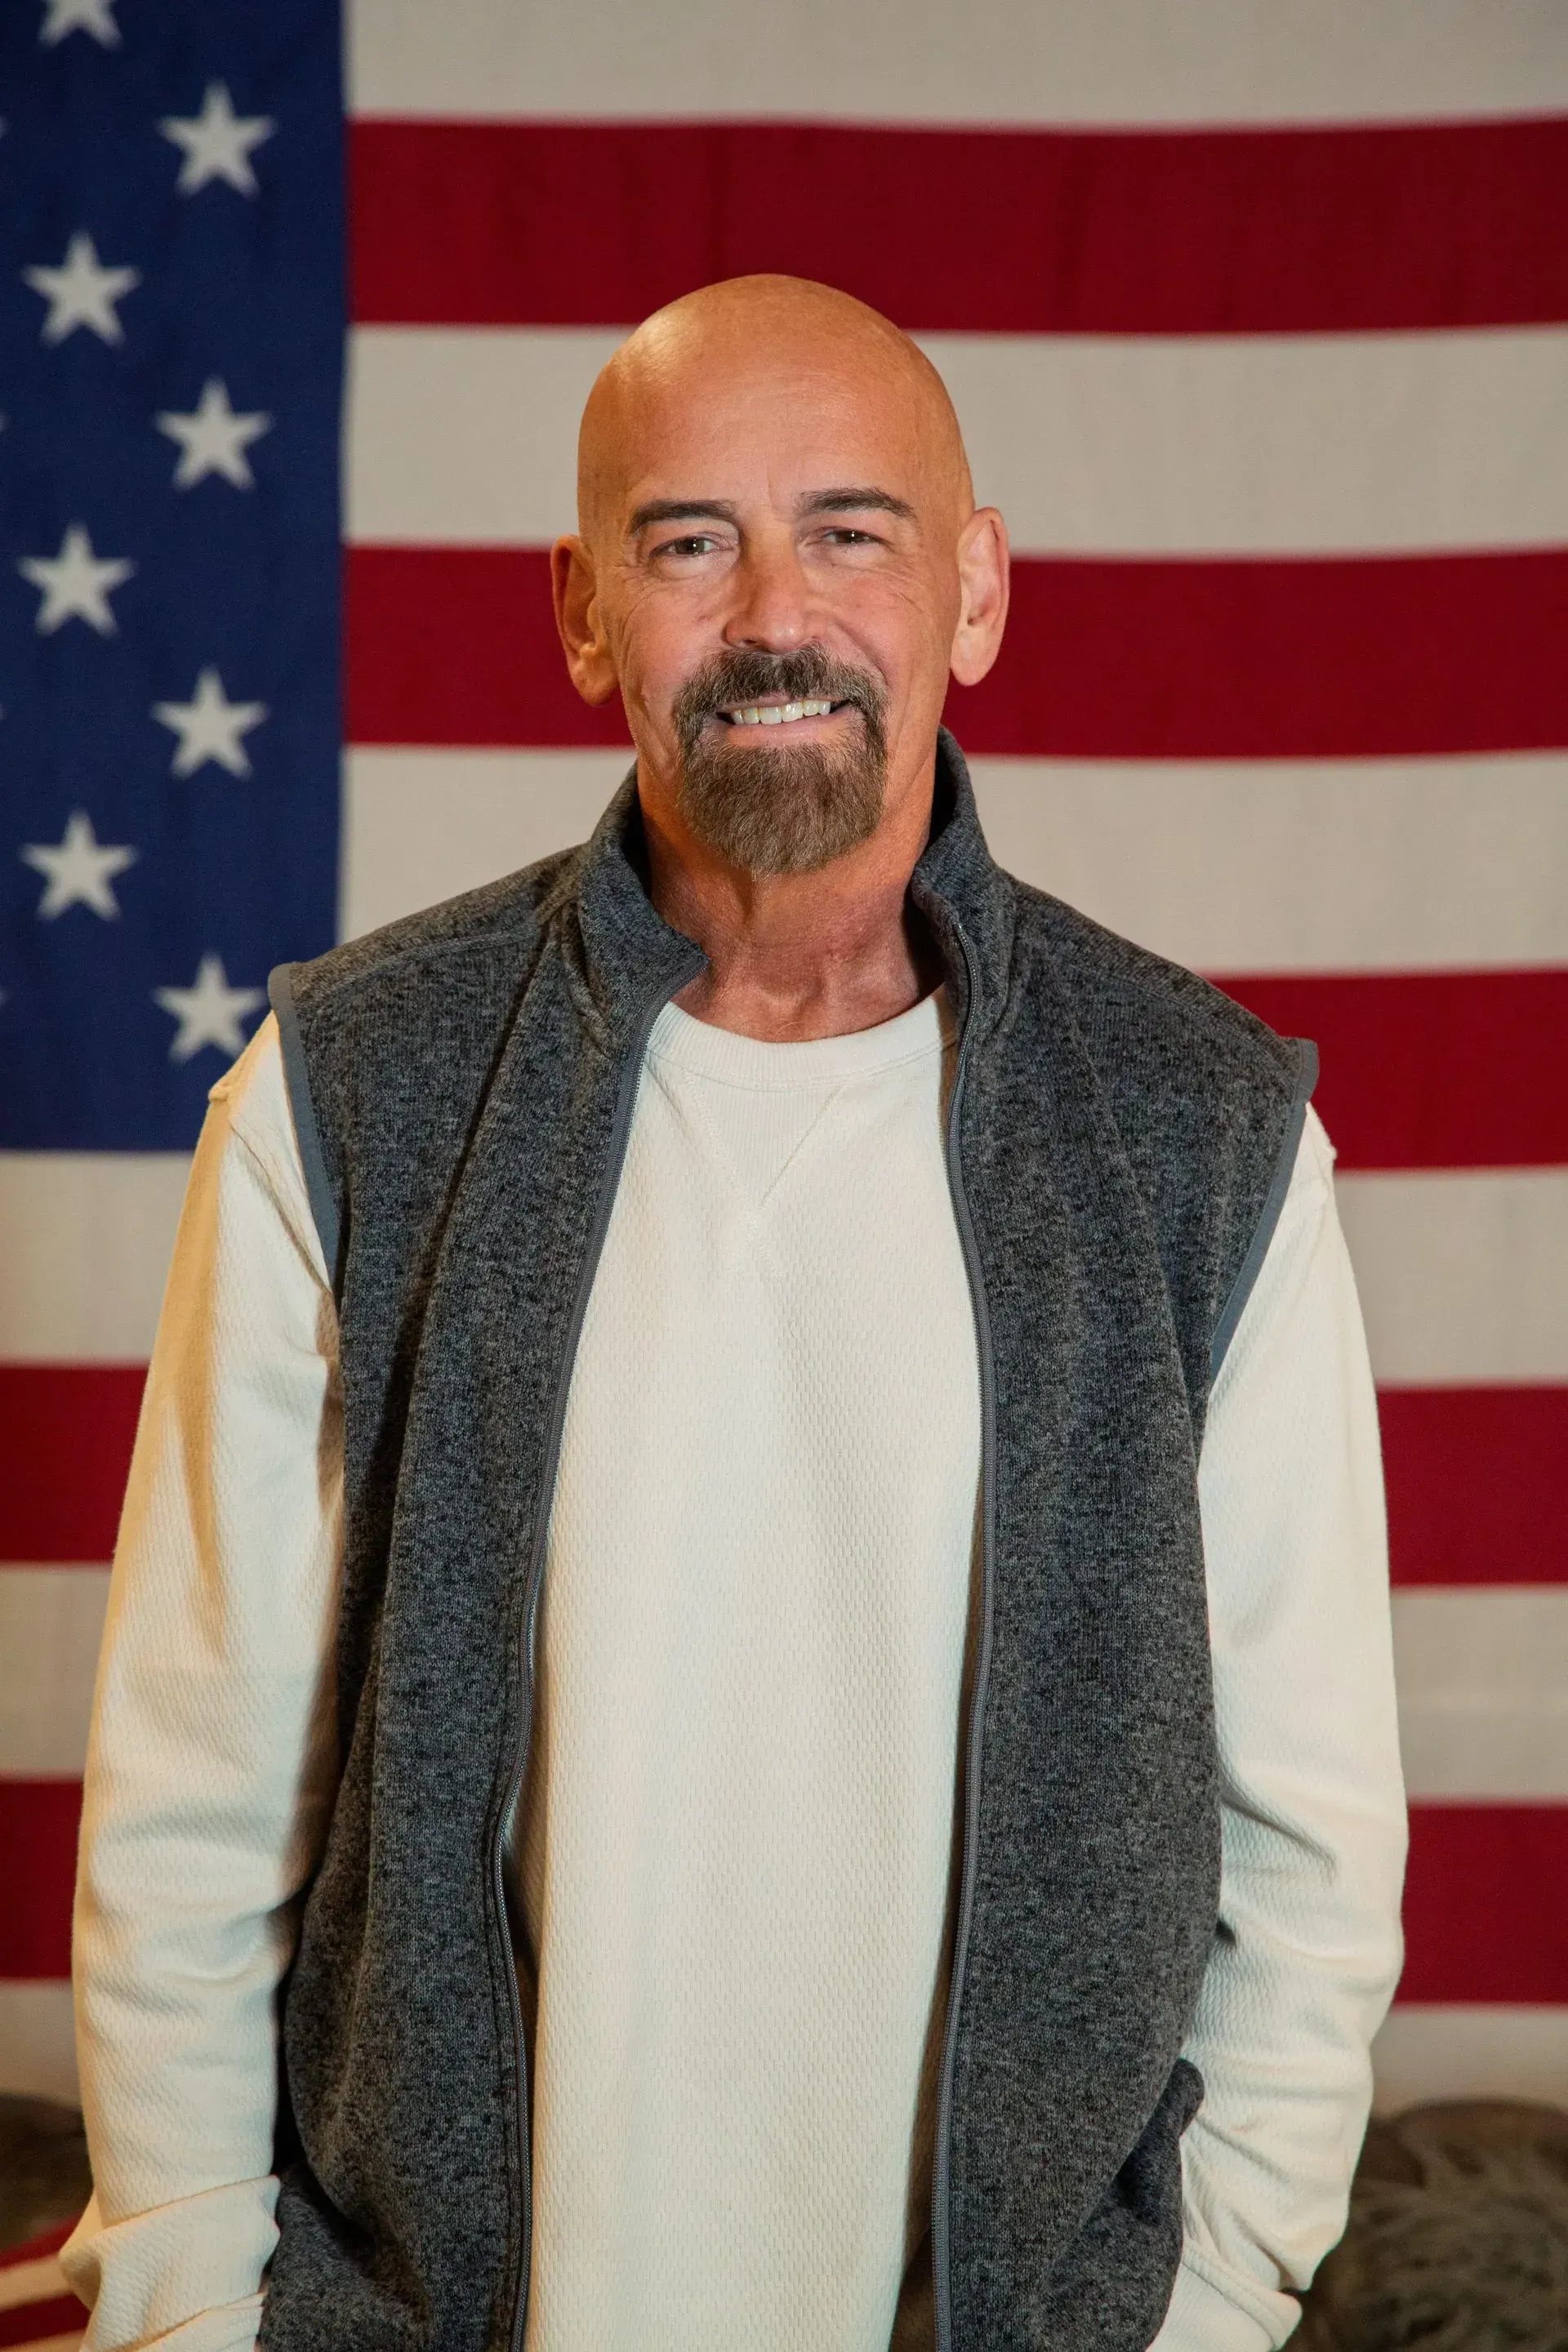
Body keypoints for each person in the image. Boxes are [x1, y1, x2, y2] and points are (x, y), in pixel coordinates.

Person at [63, 275, 1405, 2352]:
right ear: (586, 611)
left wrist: (1203, 2309)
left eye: (851, 532)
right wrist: (185, 2312)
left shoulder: (1204, 1137)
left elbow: (1308, 1863)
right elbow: (192, 1801)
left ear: (974, 595)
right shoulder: (345, 1095)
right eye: (689, 541)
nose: (775, 613)